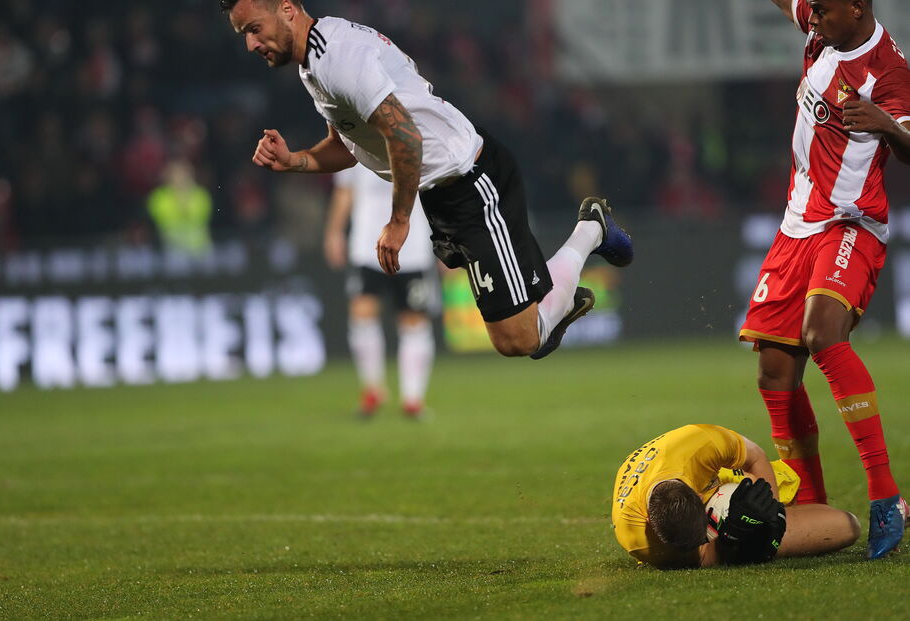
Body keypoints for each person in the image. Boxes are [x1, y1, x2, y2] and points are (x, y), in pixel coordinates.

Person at [219, 0, 634, 360]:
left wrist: (398, 222)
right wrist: (295, 160)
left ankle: (590, 229)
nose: (250, 44)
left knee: (519, 340)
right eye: (242, 34)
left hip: (472, 180)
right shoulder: (316, 62)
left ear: (287, 10)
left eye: (254, 29)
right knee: (520, 337)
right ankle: (564, 288)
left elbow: (403, 135)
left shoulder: (337, 58)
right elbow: (350, 144)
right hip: (446, 193)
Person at [740, 0, 910, 560]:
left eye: (824, 12)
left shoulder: (888, 71)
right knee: (774, 370)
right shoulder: (822, 24)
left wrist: (887, 126)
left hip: (851, 221)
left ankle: (887, 497)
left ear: (857, 9)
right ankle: (809, 505)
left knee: (823, 332)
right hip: (796, 225)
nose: (811, 21)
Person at [612, 424, 864, 569]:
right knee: (846, 527)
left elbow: (754, 456)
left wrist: (773, 517)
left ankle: (775, 511)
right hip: (704, 490)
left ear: (698, 496)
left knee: (843, 523)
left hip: (717, 477)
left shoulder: (697, 443)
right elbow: (705, 557)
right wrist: (733, 540)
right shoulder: (639, 540)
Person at [324, 164, 438, 419]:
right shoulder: (351, 136)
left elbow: (436, 188)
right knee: (362, 314)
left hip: (413, 246)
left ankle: (413, 398)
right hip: (366, 245)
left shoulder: (417, 136)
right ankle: (373, 389)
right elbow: (345, 190)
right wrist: (334, 233)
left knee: (414, 321)